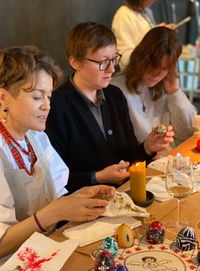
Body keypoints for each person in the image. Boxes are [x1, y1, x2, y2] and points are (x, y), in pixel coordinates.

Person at [0, 45, 116, 271]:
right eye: (36, 97)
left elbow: (57, 196)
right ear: (4, 97)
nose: (47, 106)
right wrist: (54, 212)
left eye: (49, 96)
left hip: (40, 262)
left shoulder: (36, 138)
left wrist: (82, 196)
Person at [46, 22, 174, 194]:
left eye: (114, 59)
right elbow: (53, 179)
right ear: (75, 62)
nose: (111, 69)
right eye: (103, 62)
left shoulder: (115, 95)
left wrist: (147, 148)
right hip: (85, 204)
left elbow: (128, 157)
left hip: (123, 195)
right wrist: (97, 177)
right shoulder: (55, 106)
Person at [111, 26, 197, 146]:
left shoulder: (164, 85)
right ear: (140, 57)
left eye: (164, 68)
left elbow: (186, 133)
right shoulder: (116, 88)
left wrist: (174, 92)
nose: (156, 73)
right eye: (153, 64)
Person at [112, 0, 175, 70]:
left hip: (150, 69)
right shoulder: (123, 15)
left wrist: (160, 32)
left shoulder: (147, 11)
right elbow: (124, 59)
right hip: (134, 74)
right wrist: (155, 35)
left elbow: (147, 36)